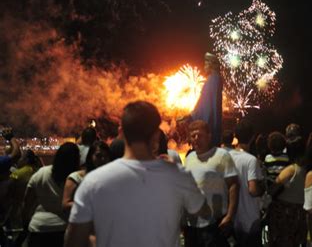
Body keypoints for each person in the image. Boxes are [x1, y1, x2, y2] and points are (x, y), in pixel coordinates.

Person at [65, 101, 208, 247]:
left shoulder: (94, 181)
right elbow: (204, 212)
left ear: (122, 132)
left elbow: (74, 241)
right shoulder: (178, 176)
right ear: (156, 135)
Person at [184, 120, 239, 247]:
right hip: (192, 225)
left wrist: (230, 216)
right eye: (193, 136)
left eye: (200, 135)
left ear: (209, 136)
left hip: (214, 224)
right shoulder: (189, 157)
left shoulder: (222, 155)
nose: (196, 139)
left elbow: (233, 185)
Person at [23, 142, 80, 247]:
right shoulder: (74, 178)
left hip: (38, 227)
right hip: (63, 229)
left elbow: (28, 200)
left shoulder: (42, 173)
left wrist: (26, 221)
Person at [228, 120, 264, 247]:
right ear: (252, 137)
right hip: (250, 218)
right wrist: (263, 189)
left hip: (232, 219)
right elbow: (253, 190)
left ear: (235, 136)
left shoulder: (227, 156)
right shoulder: (251, 160)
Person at [267, 136, 307, 247]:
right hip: (301, 212)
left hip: (285, 213)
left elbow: (273, 189)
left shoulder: (291, 170)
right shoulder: (308, 168)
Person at [62, 141, 111, 213]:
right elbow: (65, 205)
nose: (103, 159)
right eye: (98, 156)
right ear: (90, 157)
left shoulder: (109, 178)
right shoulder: (76, 177)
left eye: (106, 156)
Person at [189, 53, 223, 147]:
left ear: (211, 65)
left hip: (208, 128)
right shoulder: (215, 79)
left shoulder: (213, 80)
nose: (204, 67)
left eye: (205, 64)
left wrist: (191, 116)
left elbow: (206, 106)